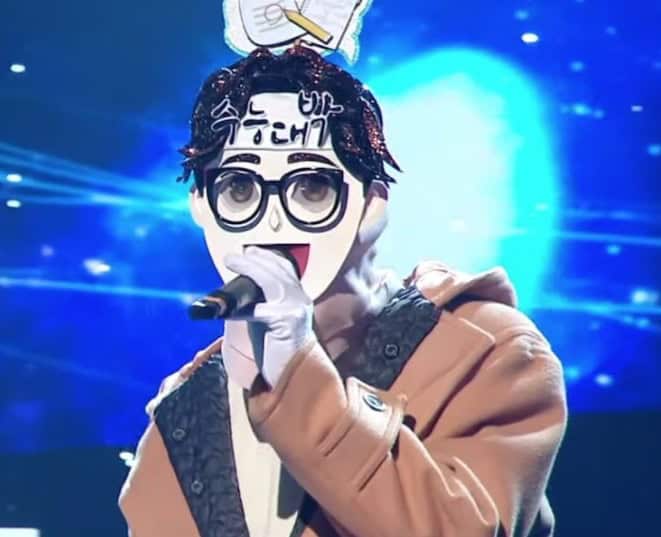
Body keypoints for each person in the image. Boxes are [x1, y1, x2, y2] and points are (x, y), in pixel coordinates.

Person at [118, 44, 567, 537]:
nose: (273, 221)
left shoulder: (483, 350)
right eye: (239, 189)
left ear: (373, 205)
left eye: (312, 187)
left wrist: (298, 380)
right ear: (202, 206)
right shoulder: (187, 408)